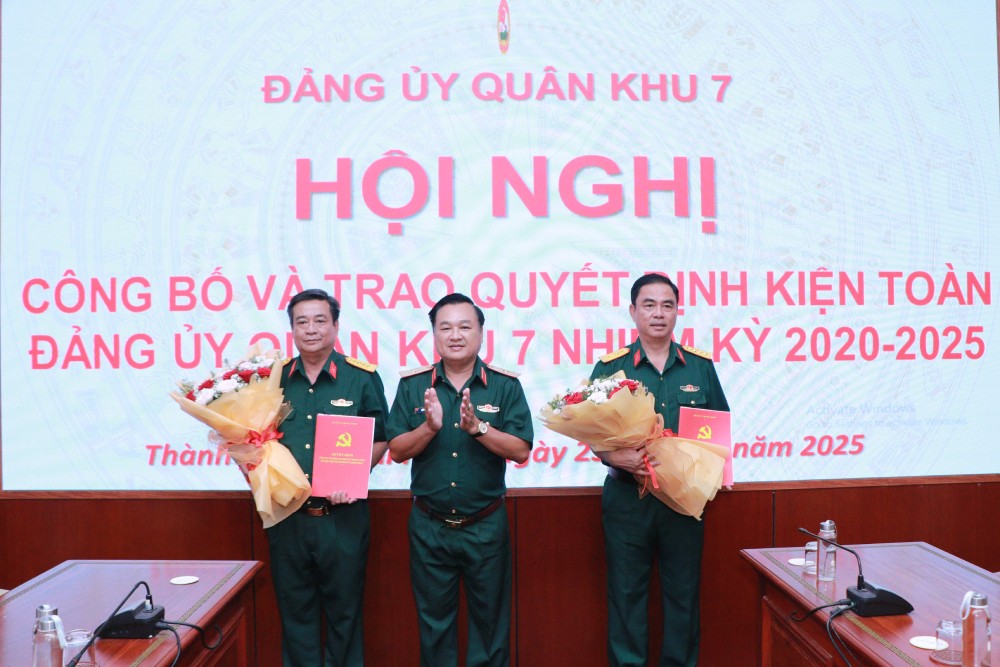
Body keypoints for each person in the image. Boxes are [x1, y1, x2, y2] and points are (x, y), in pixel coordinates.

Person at [589, 273, 729, 667]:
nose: (658, 313)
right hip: (627, 498)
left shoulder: (699, 367)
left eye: (667, 305)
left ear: (677, 312)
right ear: (632, 311)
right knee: (626, 596)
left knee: (683, 595)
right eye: (648, 305)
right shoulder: (611, 368)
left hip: (683, 500)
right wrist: (613, 457)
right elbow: (589, 430)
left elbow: (719, 427)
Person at [387, 293, 532, 667]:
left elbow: (520, 450)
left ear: (481, 332)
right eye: (446, 327)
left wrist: (478, 428)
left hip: (485, 525)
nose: (455, 335)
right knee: (434, 629)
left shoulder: (504, 385)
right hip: (429, 526)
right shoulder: (413, 385)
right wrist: (429, 428)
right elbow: (397, 450)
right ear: (434, 334)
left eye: (465, 326)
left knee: (491, 628)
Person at [267, 288, 389, 667]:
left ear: (336, 326)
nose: (311, 329)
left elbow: (382, 437)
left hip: (342, 519)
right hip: (287, 518)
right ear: (292, 329)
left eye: (320, 320)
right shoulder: (271, 380)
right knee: (295, 616)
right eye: (301, 321)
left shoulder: (360, 377)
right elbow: (253, 440)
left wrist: (353, 477)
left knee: (345, 616)